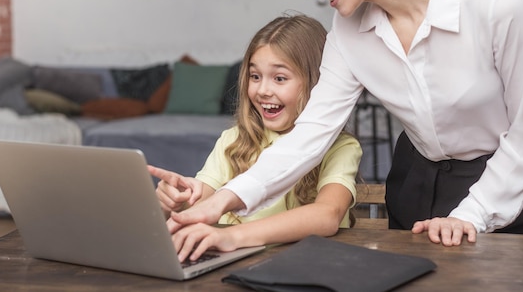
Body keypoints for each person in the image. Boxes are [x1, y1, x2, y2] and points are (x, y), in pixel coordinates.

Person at [165, 0, 523, 248]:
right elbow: (308, 137)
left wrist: (472, 214)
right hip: (414, 189)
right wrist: (222, 200)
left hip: (503, 191)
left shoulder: (496, 4)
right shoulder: (349, 30)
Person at [148, 14, 363, 262]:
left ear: (317, 84)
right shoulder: (233, 140)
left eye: (280, 78)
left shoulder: (341, 147)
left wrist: (233, 237)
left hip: (303, 266)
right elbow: (200, 206)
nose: (263, 90)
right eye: (255, 76)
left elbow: (327, 215)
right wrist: (170, 202)